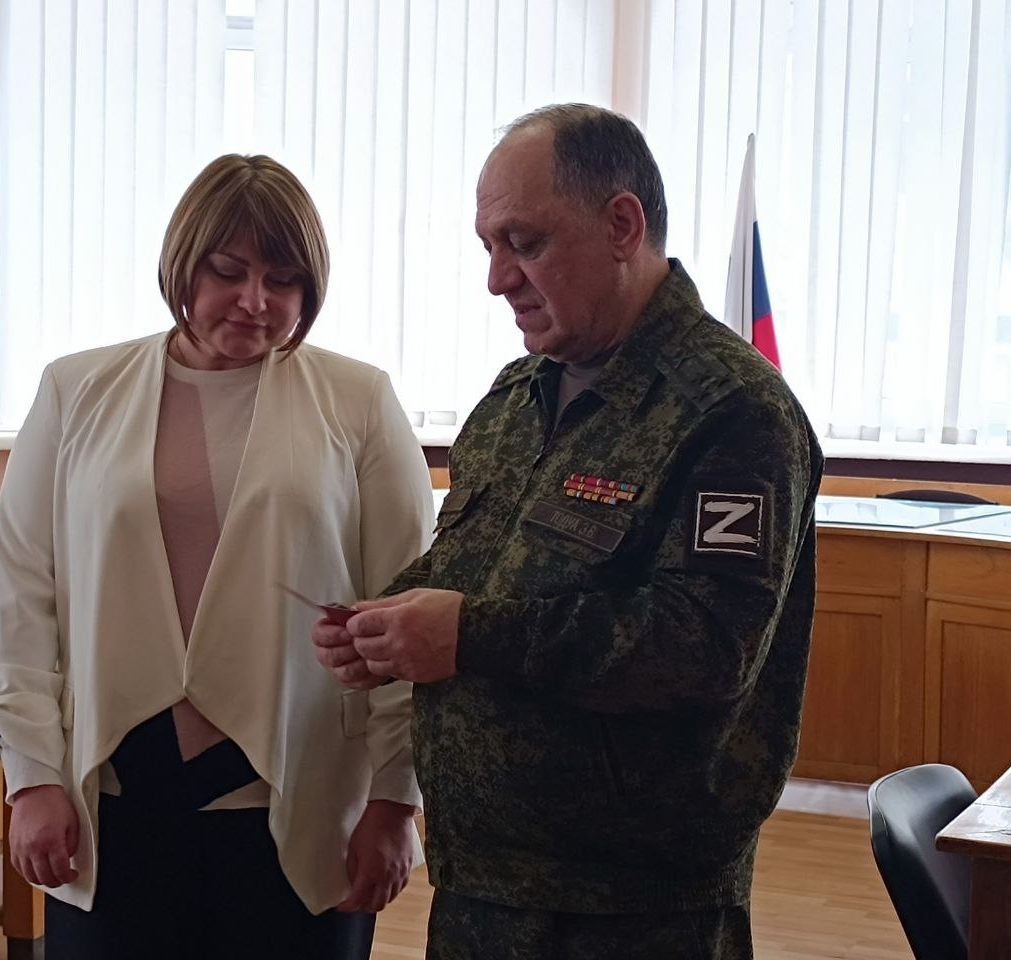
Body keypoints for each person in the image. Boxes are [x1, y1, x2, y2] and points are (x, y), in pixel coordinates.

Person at [313, 103, 824, 959]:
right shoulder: (518, 395)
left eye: (525, 242)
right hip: (479, 887)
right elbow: (474, 567)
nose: (497, 278)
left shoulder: (733, 410)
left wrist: (467, 637)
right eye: (489, 247)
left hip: (631, 913)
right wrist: (389, 623)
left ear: (622, 225)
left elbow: (703, 647)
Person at [0, 153, 434, 959]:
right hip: (113, 799)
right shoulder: (76, 391)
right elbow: (22, 599)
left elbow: (404, 613)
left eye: (283, 280)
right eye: (229, 271)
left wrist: (396, 801)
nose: (255, 301)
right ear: (183, 263)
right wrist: (33, 776)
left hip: (299, 800)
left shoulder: (359, 401)